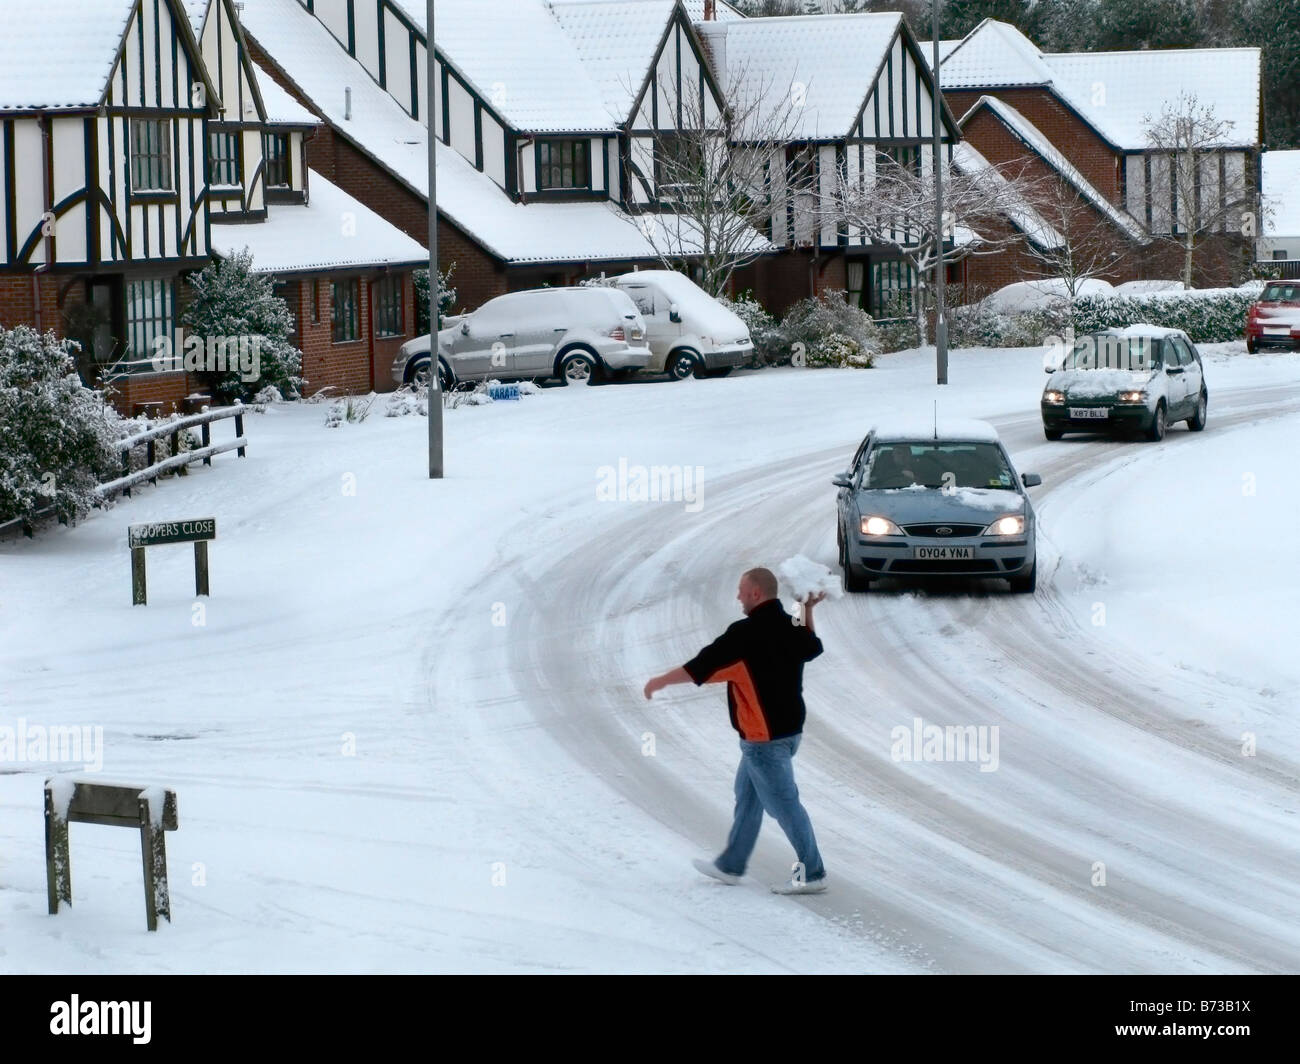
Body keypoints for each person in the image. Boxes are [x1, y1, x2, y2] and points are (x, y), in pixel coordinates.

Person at [643, 567, 828, 894]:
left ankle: (812, 873)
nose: (738, 596)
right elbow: (811, 646)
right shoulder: (790, 623)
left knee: (785, 805)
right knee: (747, 796)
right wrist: (807, 609)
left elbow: (700, 667)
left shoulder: (744, 634)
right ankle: (731, 864)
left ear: (756, 593)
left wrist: (660, 681)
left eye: (741, 590)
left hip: (764, 741)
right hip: (788, 733)